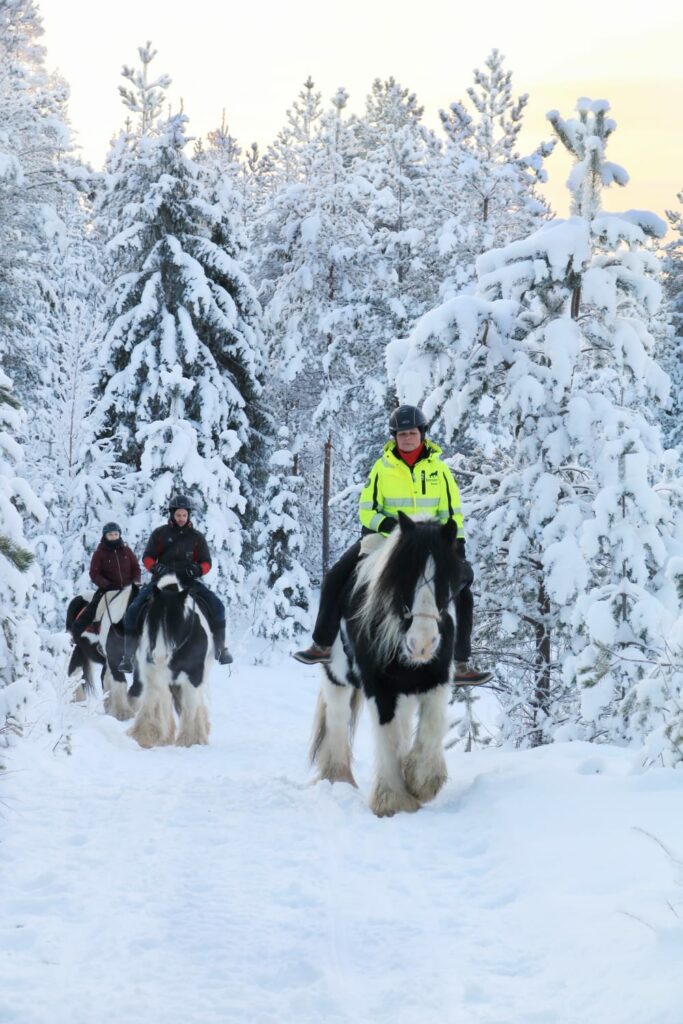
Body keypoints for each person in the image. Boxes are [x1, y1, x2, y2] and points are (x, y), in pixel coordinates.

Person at [293, 405, 492, 685]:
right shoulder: (382, 468)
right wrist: (388, 526)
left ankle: (461, 663)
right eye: (401, 434)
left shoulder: (439, 470)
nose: (407, 439)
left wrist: (456, 548)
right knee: (338, 575)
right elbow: (366, 510)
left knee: (463, 587)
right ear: (394, 437)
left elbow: (452, 513)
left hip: (430, 541)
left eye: (412, 433)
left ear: (422, 435)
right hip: (387, 537)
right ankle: (322, 644)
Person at [118, 494, 233, 671]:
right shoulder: (159, 533)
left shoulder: (197, 537)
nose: (181, 518)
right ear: (172, 515)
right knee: (133, 610)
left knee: (218, 607)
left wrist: (197, 570)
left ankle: (220, 649)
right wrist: (156, 568)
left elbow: (206, 562)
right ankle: (128, 657)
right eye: (178, 515)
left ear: (188, 516)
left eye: (184, 515)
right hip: (161, 582)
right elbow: (148, 557)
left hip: (188, 582)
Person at [71, 522, 141, 639]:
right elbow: (94, 573)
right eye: (110, 535)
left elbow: (136, 568)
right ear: (105, 536)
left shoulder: (127, 551)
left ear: (119, 535)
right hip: (108, 589)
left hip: (129, 589)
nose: (113, 537)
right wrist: (105, 584)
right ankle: (75, 634)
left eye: (115, 534)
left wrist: (136, 581)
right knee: (93, 609)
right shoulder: (99, 553)